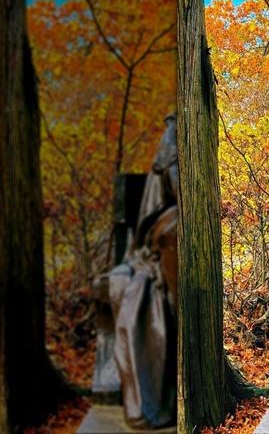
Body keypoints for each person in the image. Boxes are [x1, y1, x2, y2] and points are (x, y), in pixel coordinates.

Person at [104, 112, 177, 429]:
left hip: (171, 241)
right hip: (157, 244)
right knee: (141, 290)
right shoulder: (173, 137)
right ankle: (149, 402)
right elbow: (175, 190)